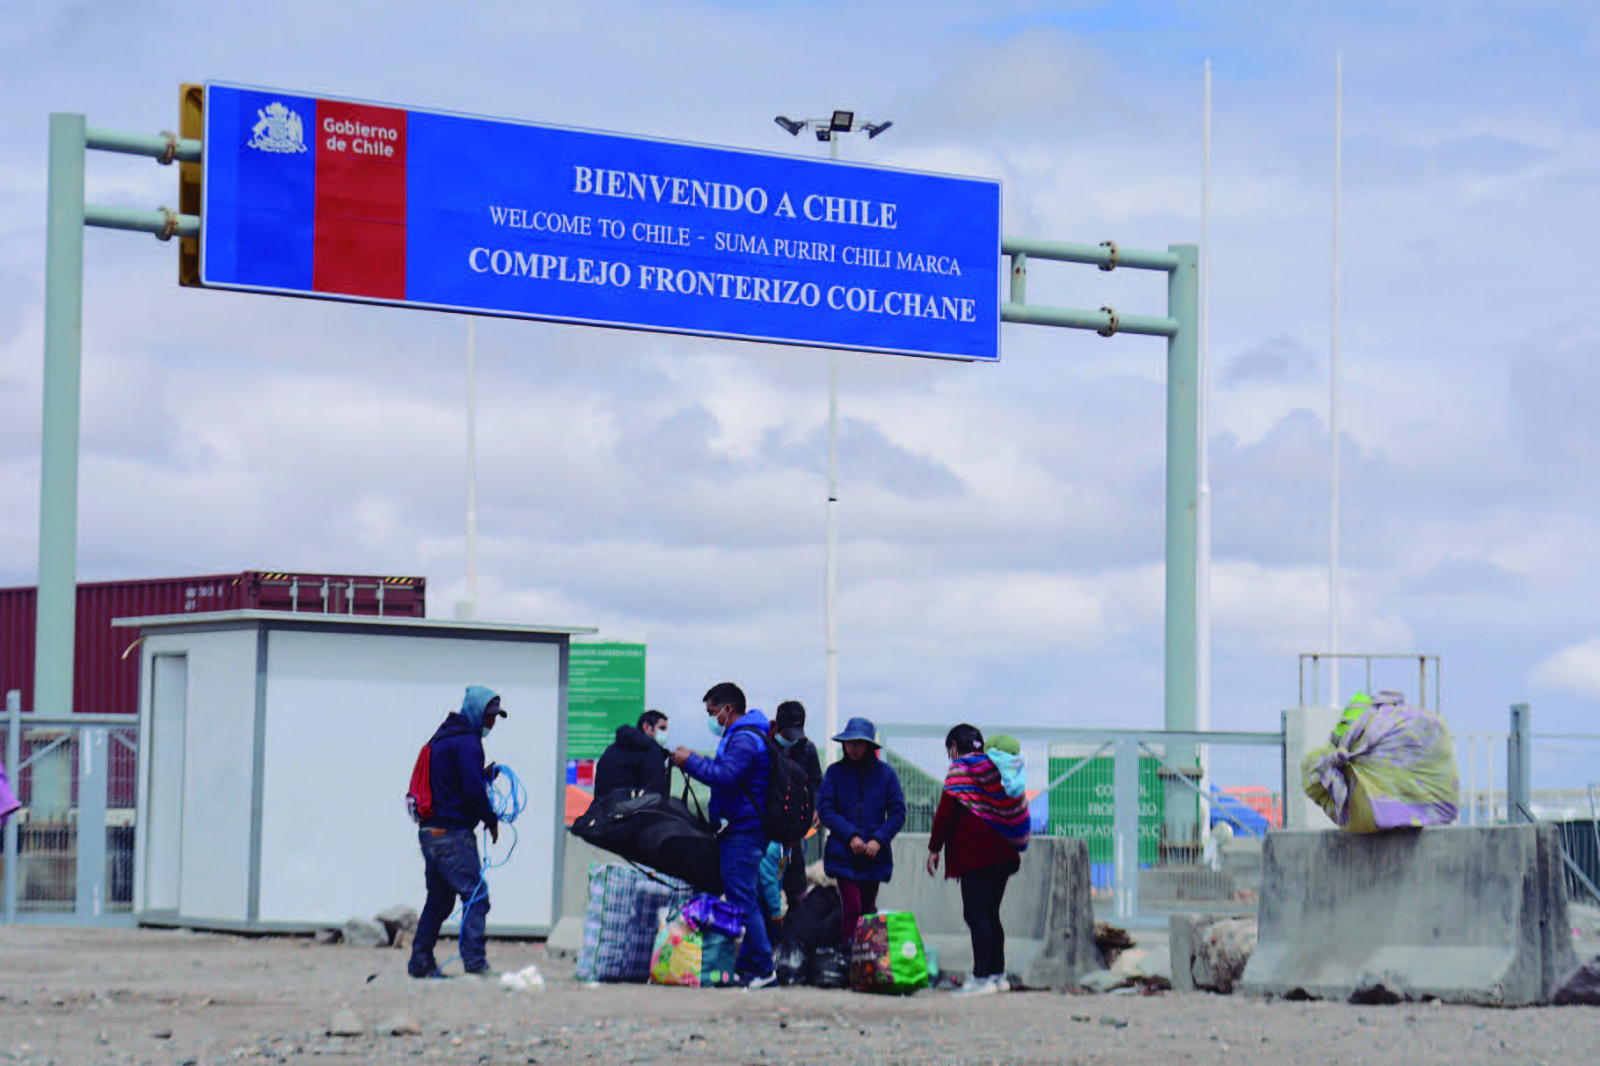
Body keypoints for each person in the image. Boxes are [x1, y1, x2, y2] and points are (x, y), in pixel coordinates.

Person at [671, 681, 777, 989]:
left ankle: (765, 970)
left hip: (743, 830)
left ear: (728, 709)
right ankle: (750, 966)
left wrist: (689, 762)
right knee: (749, 896)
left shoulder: (743, 739)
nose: (711, 719)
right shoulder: (745, 735)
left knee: (742, 898)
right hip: (742, 828)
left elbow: (727, 778)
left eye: (712, 712)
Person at [408, 685, 507, 979]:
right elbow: (472, 791)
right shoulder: (468, 742)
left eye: (496, 717)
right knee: (477, 895)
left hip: (430, 832)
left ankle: (420, 962)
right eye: (489, 716)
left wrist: (482, 776)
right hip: (453, 834)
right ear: (476, 712)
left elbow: (454, 782)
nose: (492, 722)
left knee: (439, 900)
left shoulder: (443, 738)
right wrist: (491, 819)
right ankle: (475, 963)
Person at [926, 723, 1030, 995]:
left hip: (976, 854)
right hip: (1005, 853)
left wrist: (934, 848)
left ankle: (981, 976)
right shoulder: (999, 768)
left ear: (953, 748)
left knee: (975, 914)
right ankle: (998, 976)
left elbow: (945, 813)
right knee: (991, 913)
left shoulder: (960, 770)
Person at [815, 716, 906, 945]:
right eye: (850, 742)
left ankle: (867, 959)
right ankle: (850, 956)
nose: (853, 747)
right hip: (843, 853)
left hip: (873, 856)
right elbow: (825, 810)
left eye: (859, 742)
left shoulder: (886, 775)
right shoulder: (835, 773)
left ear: (869, 745)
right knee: (852, 908)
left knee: (867, 909)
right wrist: (850, 835)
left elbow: (898, 813)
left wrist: (878, 839)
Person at [772, 699, 824, 907]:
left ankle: (794, 931)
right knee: (769, 883)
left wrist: (817, 808)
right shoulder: (766, 748)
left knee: (796, 886)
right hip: (770, 831)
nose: (793, 738)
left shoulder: (807, 749)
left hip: (794, 832)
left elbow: (817, 784)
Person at [594, 709, 671, 797]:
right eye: (662, 728)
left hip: (603, 808)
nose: (665, 734)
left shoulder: (612, 749)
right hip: (632, 809)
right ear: (646, 727)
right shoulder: (651, 752)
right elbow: (655, 796)